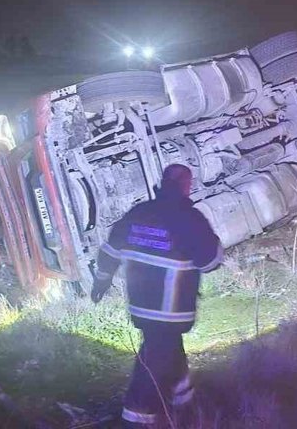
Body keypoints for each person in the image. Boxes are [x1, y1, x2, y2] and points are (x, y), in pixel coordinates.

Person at [90, 164, 224, 427]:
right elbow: (210, 261)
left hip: (142, 307)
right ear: (187, 186)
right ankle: (136, 418)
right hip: (171, 310)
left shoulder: (139, 213)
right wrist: (215, 243)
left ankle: (185, 404)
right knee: (153, 363)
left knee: (170, 349)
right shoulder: (190, 218)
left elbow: (110, 251)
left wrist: (101, 282)